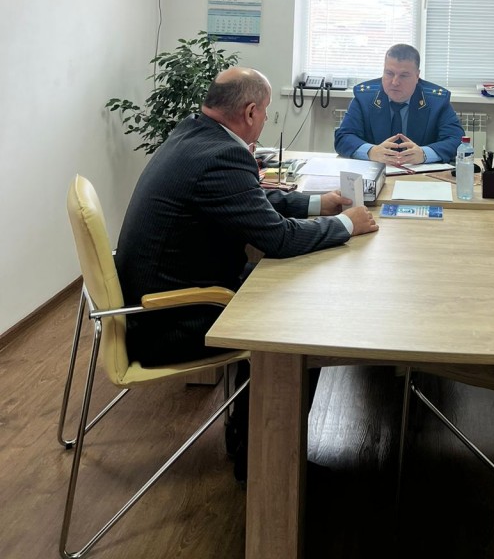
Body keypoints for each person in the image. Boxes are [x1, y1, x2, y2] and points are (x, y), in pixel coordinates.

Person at [116, 66, 378, 479]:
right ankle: (268, 464)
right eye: (267, 111)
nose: (267, 118)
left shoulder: (193, 134)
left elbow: (247, 201)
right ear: (251, 111)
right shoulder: (223, 155)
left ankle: (248, 441)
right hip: (171, 321)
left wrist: (317, 204)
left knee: (285, 293)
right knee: (301, 327)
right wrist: (347, 224)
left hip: (152, 305)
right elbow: (278, 239)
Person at [334, 44, 464, 165]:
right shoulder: (364, 98)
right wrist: (371, 152)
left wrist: (424, 154)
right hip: (375, 172)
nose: (395, 82)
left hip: (420, 175)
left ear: (417, 76)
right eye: (389, 73)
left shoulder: (437, 101)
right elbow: (343, 137)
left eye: (404, 76)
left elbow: (457, 140)